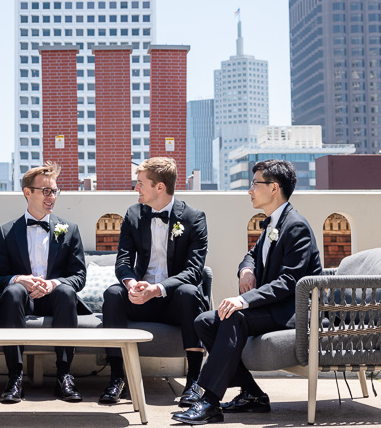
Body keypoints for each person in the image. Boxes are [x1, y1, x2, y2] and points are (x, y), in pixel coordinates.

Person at [173, 159, 323, 425]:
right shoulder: (273, 223)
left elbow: (290, 281)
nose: (250, 190)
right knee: (204, 322)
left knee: (233, 315)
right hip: (271, 307)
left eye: (255, 184)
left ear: (274, 188)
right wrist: (246, 270)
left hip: (291, 312)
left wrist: (243, 300)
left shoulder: (295, 226)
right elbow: (251, 255)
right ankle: (252, 394)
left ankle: (208, 401)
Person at [98, 156, 208, 407]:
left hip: (173, 299)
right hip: (139, 296)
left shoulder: (194, 218)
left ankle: (193, 382)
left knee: (191, 293)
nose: (135, 188)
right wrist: (131, 284)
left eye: (140, 183)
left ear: (160, 187)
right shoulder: (133, 214)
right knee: (113, 294)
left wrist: (158, 289)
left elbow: (194, 271)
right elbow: (123, 260)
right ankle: (117, 378)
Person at [0, 162, 88, 403]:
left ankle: (64, 375)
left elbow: (79, 276)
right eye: (46, 191)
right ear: (27, 193)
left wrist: (54, 284)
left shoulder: (70, 229)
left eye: (55, 191)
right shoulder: (7, 232)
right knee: (12, 292)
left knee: (66, 292)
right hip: (22, 302)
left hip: (56, 300)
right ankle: (15, 377)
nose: (52, 197)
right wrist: (19, 279)